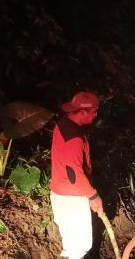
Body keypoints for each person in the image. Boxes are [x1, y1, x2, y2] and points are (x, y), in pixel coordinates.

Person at [50, 91, 102, 259]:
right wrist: (93, 196)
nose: (96, 115)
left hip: (63, 193)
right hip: (71, 196)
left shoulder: (63, 124)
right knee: (79, 246)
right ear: (83, 112)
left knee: (73, 243)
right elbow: (74, 174)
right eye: (94, 111)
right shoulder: (74, 137)